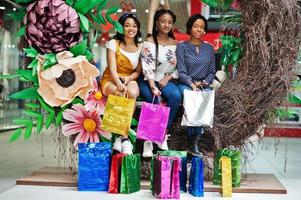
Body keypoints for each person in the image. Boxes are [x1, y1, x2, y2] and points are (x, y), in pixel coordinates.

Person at [138, 2, 182, 157]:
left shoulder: (177, 44)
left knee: (176, 96)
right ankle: (148, 141)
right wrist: (152, 85)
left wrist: (169, 77)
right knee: (153, 99)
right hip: (148, 79)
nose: (166, 25)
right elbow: (147, 65)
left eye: (169, 22)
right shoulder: (149, 42)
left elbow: (180, 68)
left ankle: (162, 133)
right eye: (163, 21)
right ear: (157, 23)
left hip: (166, 80)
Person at [100, 13, 142, 154]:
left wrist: (129, 79)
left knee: (133, 92)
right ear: (121, 27)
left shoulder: (141, 46)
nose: (131, 28)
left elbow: (138, 71)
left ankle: (119, 138)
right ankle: (125, 138)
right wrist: (118, 83)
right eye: (127, 25)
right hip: (111, 79)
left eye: (134, 26)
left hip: (129, 78)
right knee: (120, 93)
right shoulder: (113, 43)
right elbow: (111, 68)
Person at [176, 14, 216, 156]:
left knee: (204, 98)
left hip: (204, 84)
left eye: (202, 27)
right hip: (186, 83)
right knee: (191, 97)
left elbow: (212, 72)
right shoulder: (182, 47)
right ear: (190, 28)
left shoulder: (209, 49)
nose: (199, 29)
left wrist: (204, 83)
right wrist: (193, 85)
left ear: (205, 31)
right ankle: (190, 141)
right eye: (196, 26)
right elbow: (181, 71)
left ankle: (194, 141)